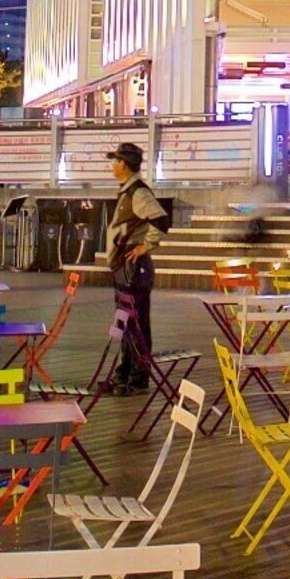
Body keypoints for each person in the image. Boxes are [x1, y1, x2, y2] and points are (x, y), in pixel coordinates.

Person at [97, 143, 168, 395]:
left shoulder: (137, 192)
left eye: (115, 160)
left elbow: (161, 219)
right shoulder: (128, 190)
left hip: (133, 268)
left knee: (136, 324)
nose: (112, 165)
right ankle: (123, 375)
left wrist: (144, 247)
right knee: (125, 322)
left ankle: (137, 378)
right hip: (123, 266)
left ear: (124, 165)